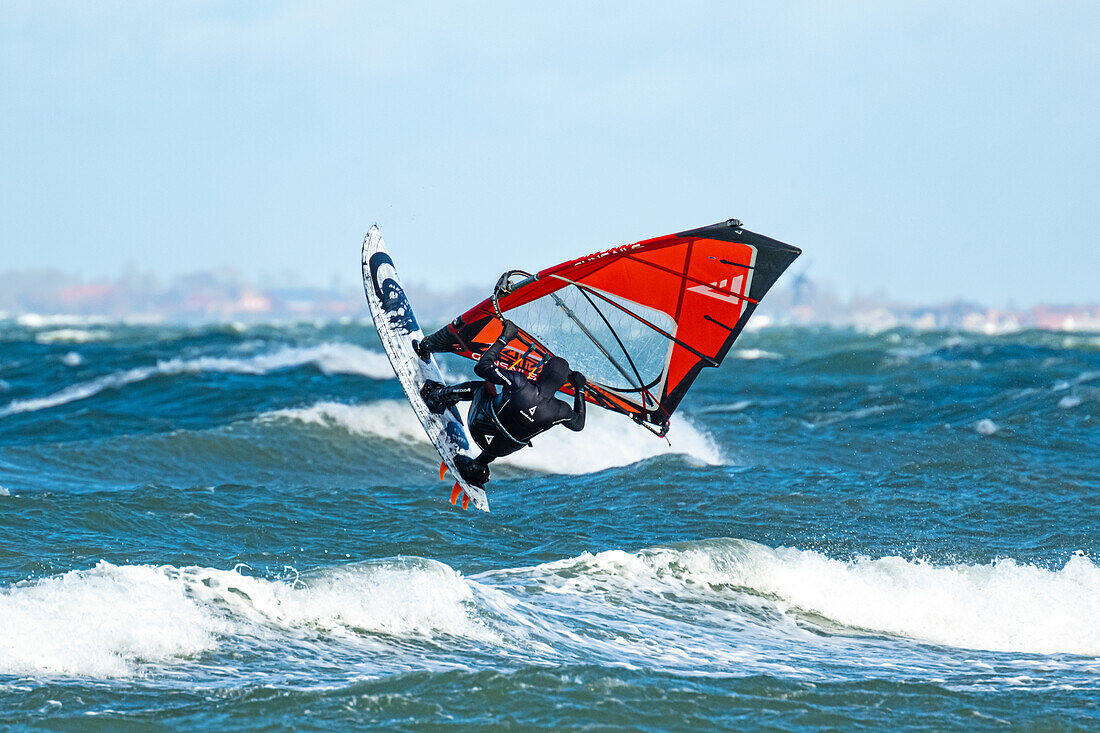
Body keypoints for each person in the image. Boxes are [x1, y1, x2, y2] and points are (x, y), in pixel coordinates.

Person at [415, 319, 587, 488]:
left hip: (479, 428)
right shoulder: (560, 410)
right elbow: (579, 424)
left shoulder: (520, 383)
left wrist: (504, 338)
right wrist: (580, 389)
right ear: (562, 383)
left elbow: (481, 367)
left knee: (483, 386)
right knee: (512, 427)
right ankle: (478, 465)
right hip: (501, 450)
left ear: (542, 371)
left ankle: (437, 397)